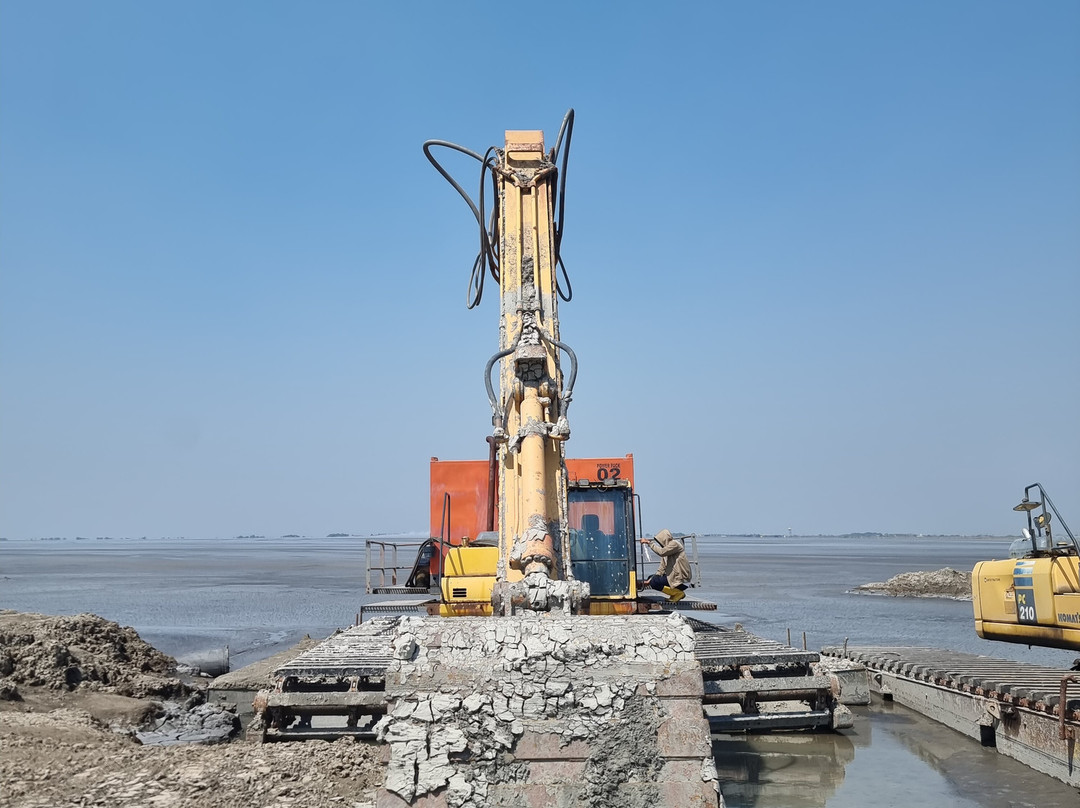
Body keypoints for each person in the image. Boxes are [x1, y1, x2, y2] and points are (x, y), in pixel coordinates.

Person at [639, 529, 691, 602]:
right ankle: (674, 594)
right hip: (674, 576)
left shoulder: (675, 544)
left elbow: (661, 552)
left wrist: (649, 543)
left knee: (654, 581)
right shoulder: (667, 551)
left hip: (681, 579)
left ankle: (678, 593)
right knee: (652, 578)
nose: (660, 544)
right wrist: (649, 580)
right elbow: (661, 568)